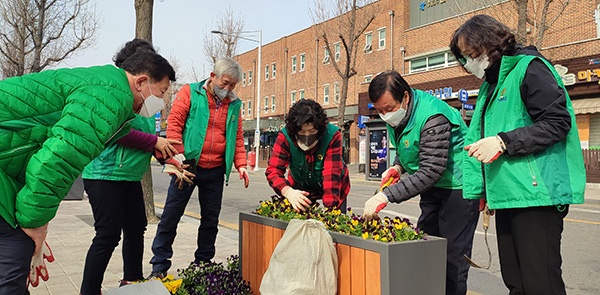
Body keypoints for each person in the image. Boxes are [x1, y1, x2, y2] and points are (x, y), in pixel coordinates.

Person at [0, 45, 175, 294]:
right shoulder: (110, 97)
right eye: (162, 91)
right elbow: (56, 160)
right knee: (15, 257)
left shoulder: (107, 89)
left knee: (16, 257)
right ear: (142, 82)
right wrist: (35, 224)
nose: (162, 100)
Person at [449, 14, 585, 295]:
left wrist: (501, 142)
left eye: (469, 54)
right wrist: (484, 188)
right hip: (509, 194)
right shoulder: (491, 83)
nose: (467, 63)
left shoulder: (530, 68)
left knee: (540, 283)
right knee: (516, 281)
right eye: (462, 57)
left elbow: (557, 122)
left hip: (537, 195)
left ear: (488, 44)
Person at [78, 39, 181, 295]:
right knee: (108, 234)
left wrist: (170, 160)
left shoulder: (146, 104)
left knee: (136, 228)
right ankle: (89, 290)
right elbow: (117, 132)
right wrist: (155, 141)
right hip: (105, 173)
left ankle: (131, 283)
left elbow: (149, 140)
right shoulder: (118, 93)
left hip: (130, 175)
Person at [362, 70, 479, 295]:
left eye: (388, 108)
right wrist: (399, 166)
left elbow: (431, 170)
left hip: (458, 187)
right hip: (434, 187)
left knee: (453, 258)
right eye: (380, 110)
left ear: (405, 97)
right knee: (426, 246)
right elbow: (410, 144)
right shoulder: (400, 114)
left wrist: (386, 195)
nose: (385, 115)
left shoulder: (432, 116)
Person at [148, 57, 249, 278]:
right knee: (171, 215)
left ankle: (202, 264)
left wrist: (241, 165)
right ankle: (159, 265)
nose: (228, 88)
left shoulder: (235, 104)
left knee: (211, 219)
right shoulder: (191, 92)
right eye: (225, 82)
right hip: (187, 165)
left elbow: (237, 137)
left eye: (233, 85)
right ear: (213, 77)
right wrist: (179, 157)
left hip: (215, 169)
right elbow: (174, 123)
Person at [265, 99, 350, 212]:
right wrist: (288, 191)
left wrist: (331, 212)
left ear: (319, 129)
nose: (307, 135)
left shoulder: (332, 135)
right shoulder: (285, 136)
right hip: (299, 186)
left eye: (312, 131)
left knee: (335, 220)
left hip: (334, 187)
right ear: (294, 131)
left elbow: (331, 175)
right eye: (301, 132)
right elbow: (273, 170)